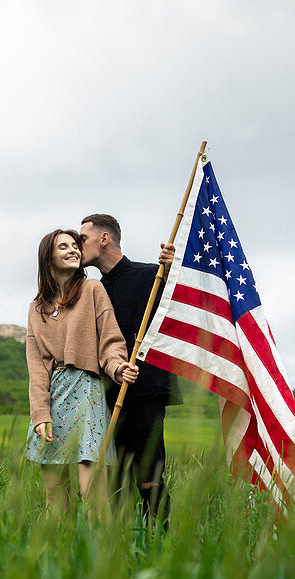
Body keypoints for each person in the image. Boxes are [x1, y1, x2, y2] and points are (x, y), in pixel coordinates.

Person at [25, 228, 139, 518]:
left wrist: (117, 366)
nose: (73, 250)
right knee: (54, 498)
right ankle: (59, 559)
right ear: (48, 256)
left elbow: (111, 340)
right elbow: (36, 367)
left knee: (92, 493)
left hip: (86, 392)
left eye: (75, 245)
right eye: (64, 247)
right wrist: (40, 413)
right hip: (51, 396)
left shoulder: (92, 290)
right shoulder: (36, 308)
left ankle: (98, 559)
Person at [78, 213, 181, 527]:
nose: (77, 245)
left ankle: (161, 546)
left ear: (104, 238)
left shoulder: (152, 275)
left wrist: (174, 267)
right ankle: (121, 552)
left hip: (145, 393)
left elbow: (182, 299)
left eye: (83, 238)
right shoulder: (90, 289)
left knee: (149, 477)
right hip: (104, 397)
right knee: (114, 483)